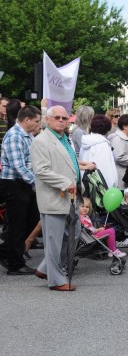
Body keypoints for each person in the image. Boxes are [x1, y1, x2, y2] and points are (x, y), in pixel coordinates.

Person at [32, 106, 82, 291]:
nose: (62, 120)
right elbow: (41, 170)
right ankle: (56, 280)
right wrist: (64, 182)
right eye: (57, 117)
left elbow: (68, 163)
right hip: (55, 196)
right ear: (48, 120)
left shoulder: (63, 138)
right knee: (55, 240)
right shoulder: (41, 141)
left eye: (64, 117)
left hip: (70, 196)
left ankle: (46, 268)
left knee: (73, 234)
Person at [0, 105, 42, 274]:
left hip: (23, 184)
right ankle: (15, 265)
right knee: (18, 224)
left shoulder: (27, 136)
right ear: (27, 120)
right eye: (37, 121)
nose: (38, 125)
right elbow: (19, 167)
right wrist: (37, 184)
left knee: (31, 219)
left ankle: (6, 252)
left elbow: (31, 161)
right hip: (13, 184)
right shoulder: (14, 136)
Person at [79, 115, 118, 188]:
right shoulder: (103, 144)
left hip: (85, 182)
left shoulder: (85, 141)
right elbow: (106, 168)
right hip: (100, 186)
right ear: (107, 128)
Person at [108, 114, 128, 189]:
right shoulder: (117, 139)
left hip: (127, 173)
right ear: (124, 126)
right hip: (121, 174)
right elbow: (119, 157)